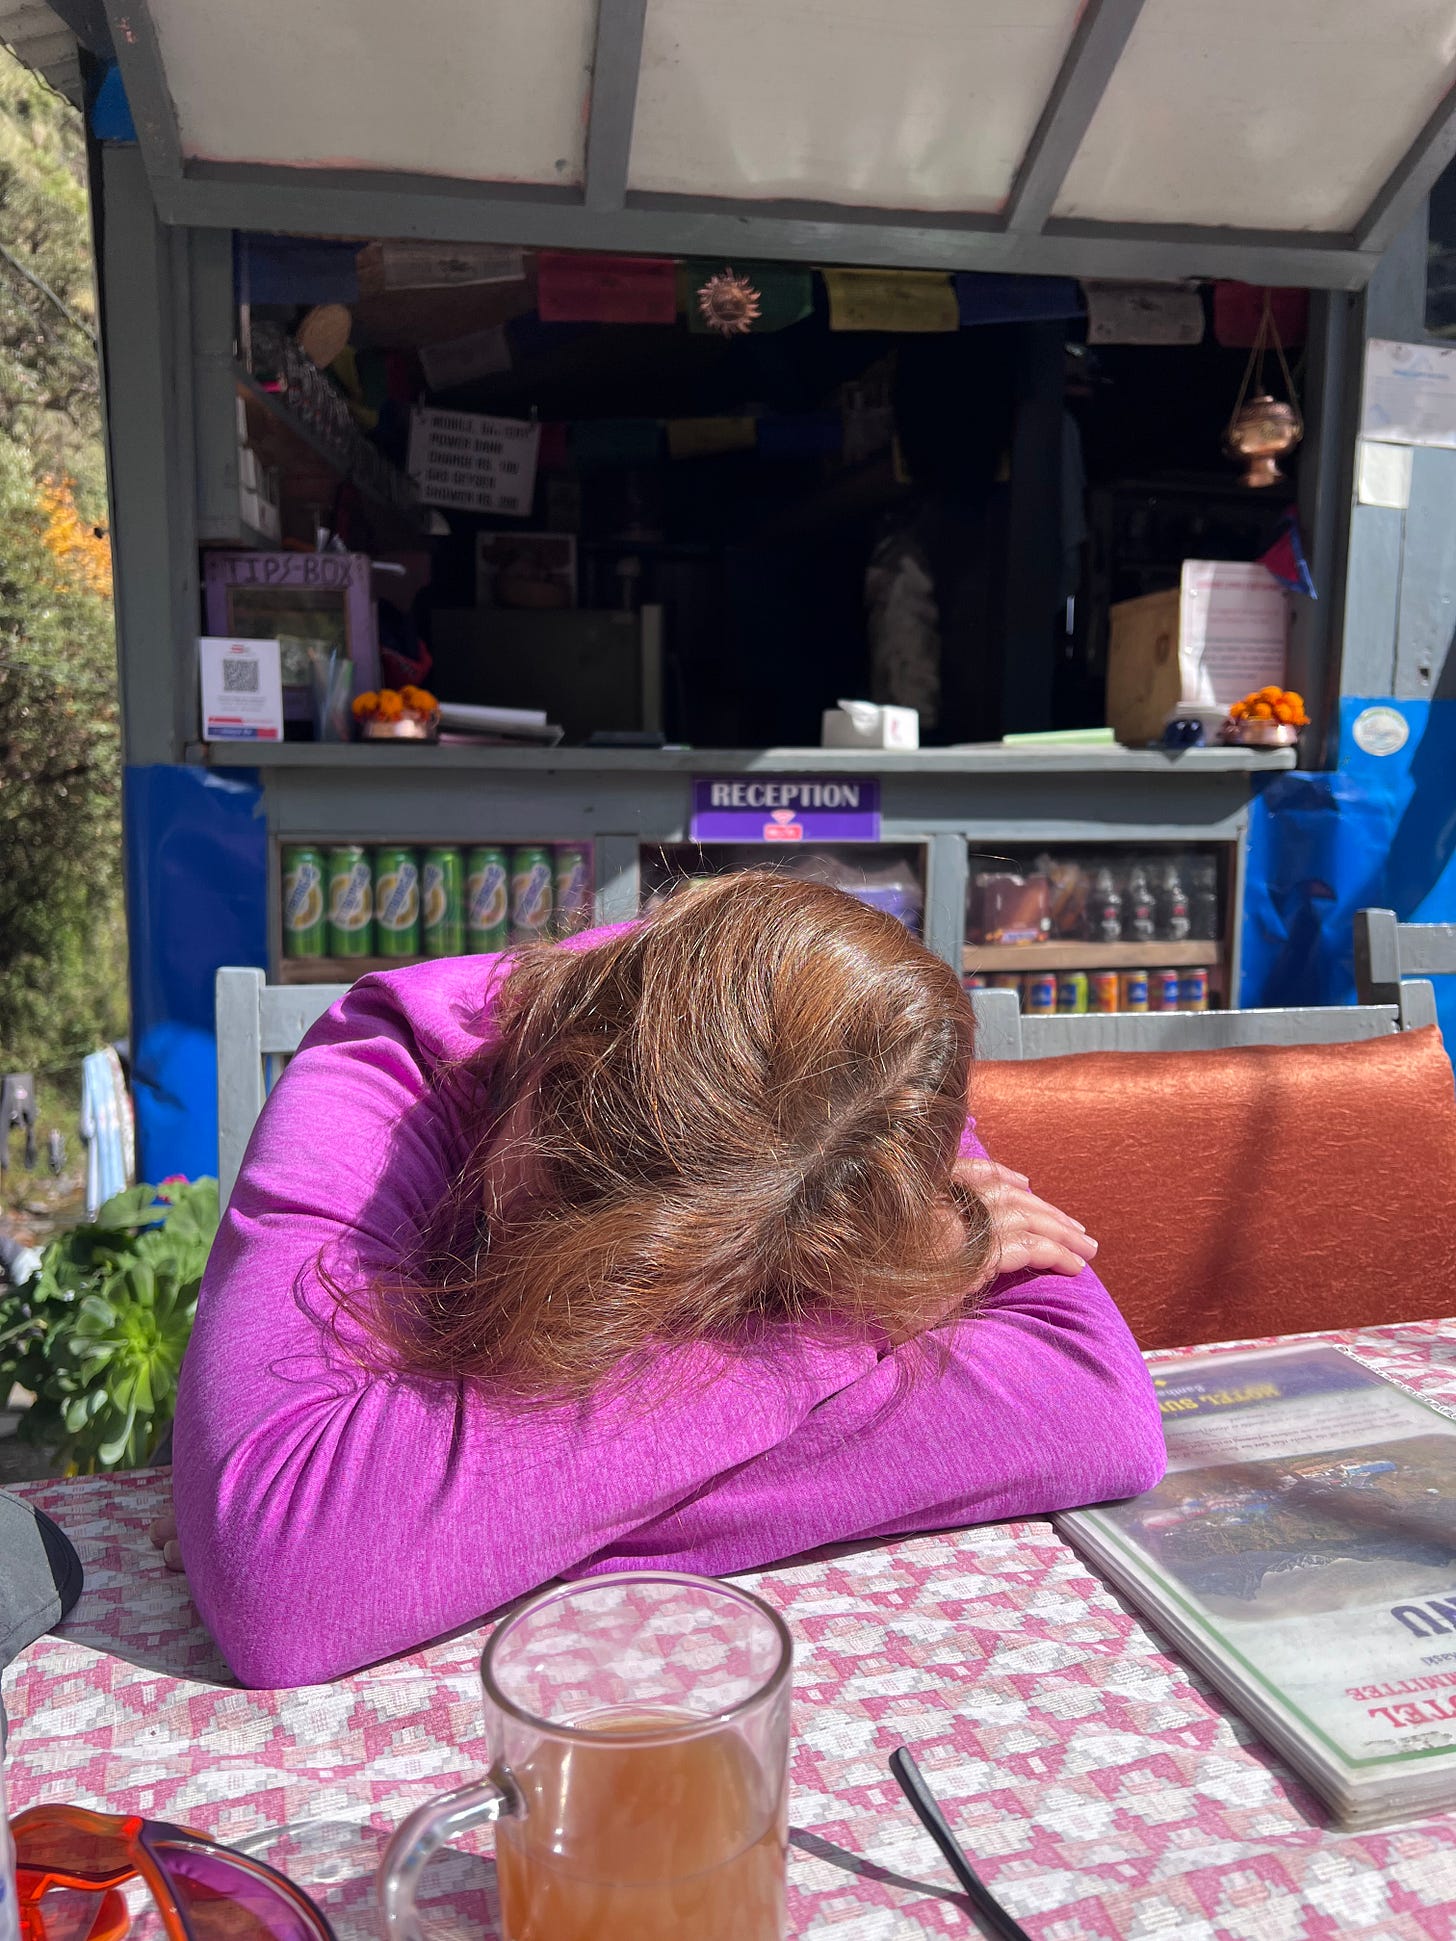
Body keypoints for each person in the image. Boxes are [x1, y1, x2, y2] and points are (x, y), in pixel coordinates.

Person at [168, 875, 1165, 1687]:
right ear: (547, 1074)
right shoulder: (385, 1069)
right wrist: (857, 1317)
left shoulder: (859, 1067)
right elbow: (281, 1577)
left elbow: (1095, 1409)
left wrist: (445, 1536)